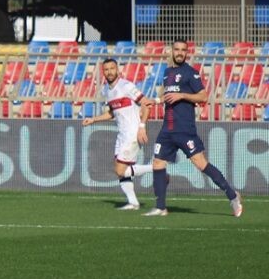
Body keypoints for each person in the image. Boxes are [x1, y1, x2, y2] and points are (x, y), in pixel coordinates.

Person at [146, 40, 242, 218]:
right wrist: (156, 101)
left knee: (201, 164)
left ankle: (232, 195)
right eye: (177, 49)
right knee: (157, 163)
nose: (180, 53)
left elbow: (203, 96)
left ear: (187, 53)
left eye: (183, 50)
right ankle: (160, 207)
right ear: (172, 51)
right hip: (167, 128)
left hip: (184, 129)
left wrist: (182, 95)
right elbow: (168, 95)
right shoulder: (167, 72)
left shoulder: (191, 73)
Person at [82, 58, 155, 210]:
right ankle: (133, 203)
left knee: (120, 170)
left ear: (118, 70)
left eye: (112, 68)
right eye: (106, 69)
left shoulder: (126, 86)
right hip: (122, 135)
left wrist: (142, 127)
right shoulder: (107, 91)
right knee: (121, 171)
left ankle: (156, 168)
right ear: (103, 72)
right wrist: (93, 119)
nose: (109, 72)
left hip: (132, 133)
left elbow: (146, 103)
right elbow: (112, 113)